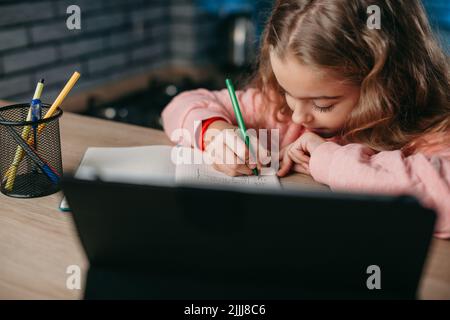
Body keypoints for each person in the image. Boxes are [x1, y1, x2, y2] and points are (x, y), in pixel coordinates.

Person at [161, 0, 450, 238]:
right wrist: (216, 132)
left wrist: (328, 158)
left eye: (323, 104)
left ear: (386, 84)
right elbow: (181, 105)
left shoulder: (432, 135)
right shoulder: (279, 109)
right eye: (288, 91)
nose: (299, 115)